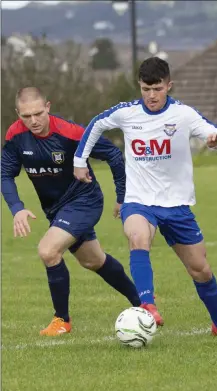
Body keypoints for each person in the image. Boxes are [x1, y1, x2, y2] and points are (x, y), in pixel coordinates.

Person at [73, 57, 217, 335]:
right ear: (139, 87)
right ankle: (147, 306)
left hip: (176, 205)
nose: (151, 95)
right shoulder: (127, 113)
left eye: (157, 89)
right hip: (139, 200)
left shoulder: (183, 115)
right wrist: (79, 160)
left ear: (169, 85)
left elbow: (215, 135)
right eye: (146, 89)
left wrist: (216, 143)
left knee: (200, 269)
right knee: (138, 237)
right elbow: (96, 124)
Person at [1, 86, 142, 337]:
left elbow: (113, 155)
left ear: (48, 107)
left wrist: (122, 197)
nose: (33, 121)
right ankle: (144, 305)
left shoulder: (71, 133)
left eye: (37, 113)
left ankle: (62, 321)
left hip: (84, 200)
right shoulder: (15, 135)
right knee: (93, 260)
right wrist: (17, 209)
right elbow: (5, 174)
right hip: (55, 208)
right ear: (17, 114)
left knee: (48, 250)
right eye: (26, 116)